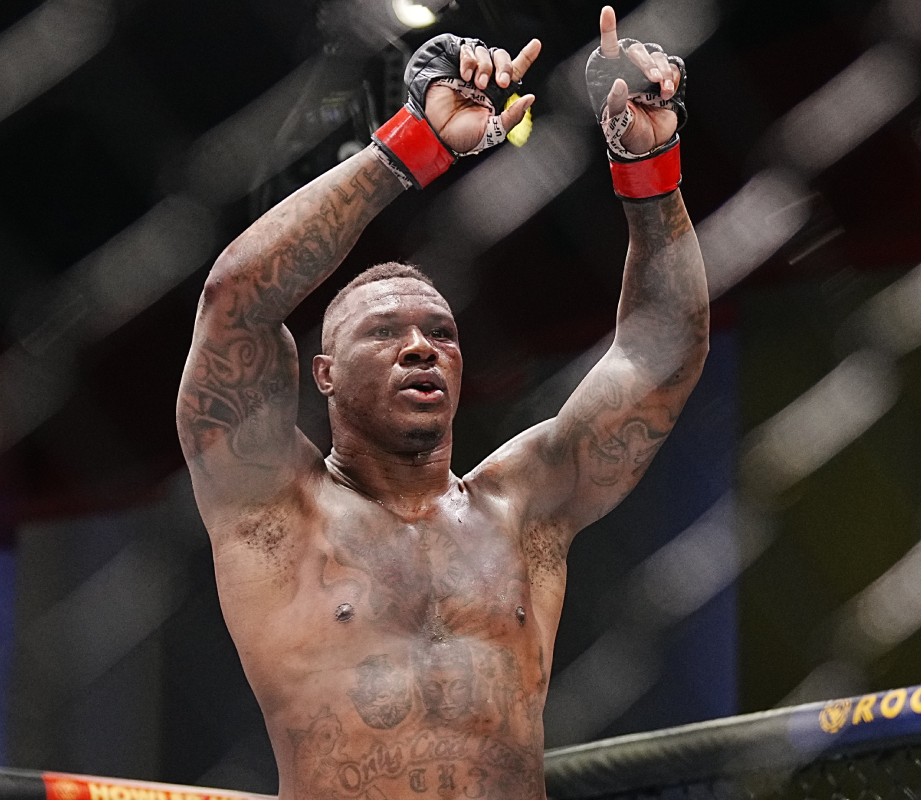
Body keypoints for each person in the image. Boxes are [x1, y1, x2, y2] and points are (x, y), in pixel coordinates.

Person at [177, 6, 707, 799]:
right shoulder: (277, 510)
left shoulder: (521, 508)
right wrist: (409, 146)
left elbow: (660, 351)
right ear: (323, 374)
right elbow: (235, 304)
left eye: (441, 333)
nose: (421, 346)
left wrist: (650, 161)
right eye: (383, 332)